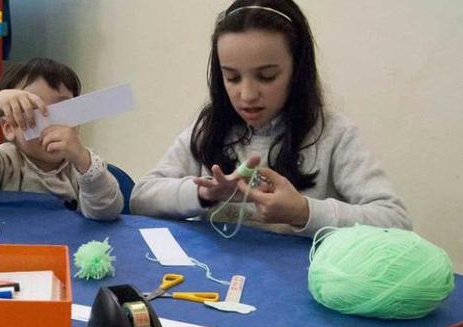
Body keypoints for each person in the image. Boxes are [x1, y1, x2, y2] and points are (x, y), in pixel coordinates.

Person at [130, 0, 411, 236]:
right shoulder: (209, 128)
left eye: (267, 76)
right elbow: (142, 198)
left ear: (297, 71)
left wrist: (304, 211)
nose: (247, 94)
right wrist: (204, 194)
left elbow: (396, 222)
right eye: (232, 77)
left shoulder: (335, 135)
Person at [0, 58, 123, 221]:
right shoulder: (4, 163)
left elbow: (107, 212)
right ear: (8, 128)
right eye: (32, 110)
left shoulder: (83, 166)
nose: (50, 122)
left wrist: (83, 161)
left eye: (62, 109)